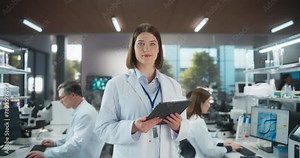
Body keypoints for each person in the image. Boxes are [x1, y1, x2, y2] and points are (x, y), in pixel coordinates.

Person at [94, 23, 188, 158]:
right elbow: (102, 129)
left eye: (152, 44)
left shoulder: (173, 85)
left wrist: (178, 127)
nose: (146, 48)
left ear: (159, 49)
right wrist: (133, 127)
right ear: (133, 48)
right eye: (140, 43)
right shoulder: (115, 84)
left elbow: (184, 129)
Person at [26, 81, 104, 158]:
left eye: (62, 97)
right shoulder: (81, 110)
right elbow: (73, 136)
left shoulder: (85, 114)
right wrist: (55, 143)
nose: (60, 101)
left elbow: (76, 143)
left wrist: (46, 155)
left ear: (73, 95)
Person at [185, 87, 241, 158]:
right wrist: (230, 148)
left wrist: (222, 144)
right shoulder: (198, 122)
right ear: (201, 103)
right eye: (208, 102)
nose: (209, 105)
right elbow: (210, 151)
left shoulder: (190, 118)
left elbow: (204, 143)